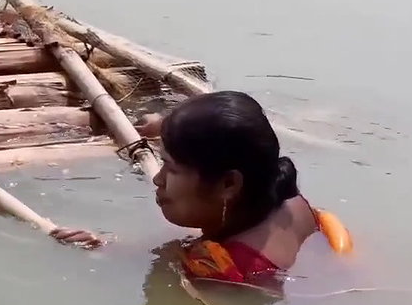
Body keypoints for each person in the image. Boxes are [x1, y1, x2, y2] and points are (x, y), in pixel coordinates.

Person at [136, 91, 351, 283]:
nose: (157, 179)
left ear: (228, 183)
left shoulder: (218, 270)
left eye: (169, 168)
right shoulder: (290, 202)